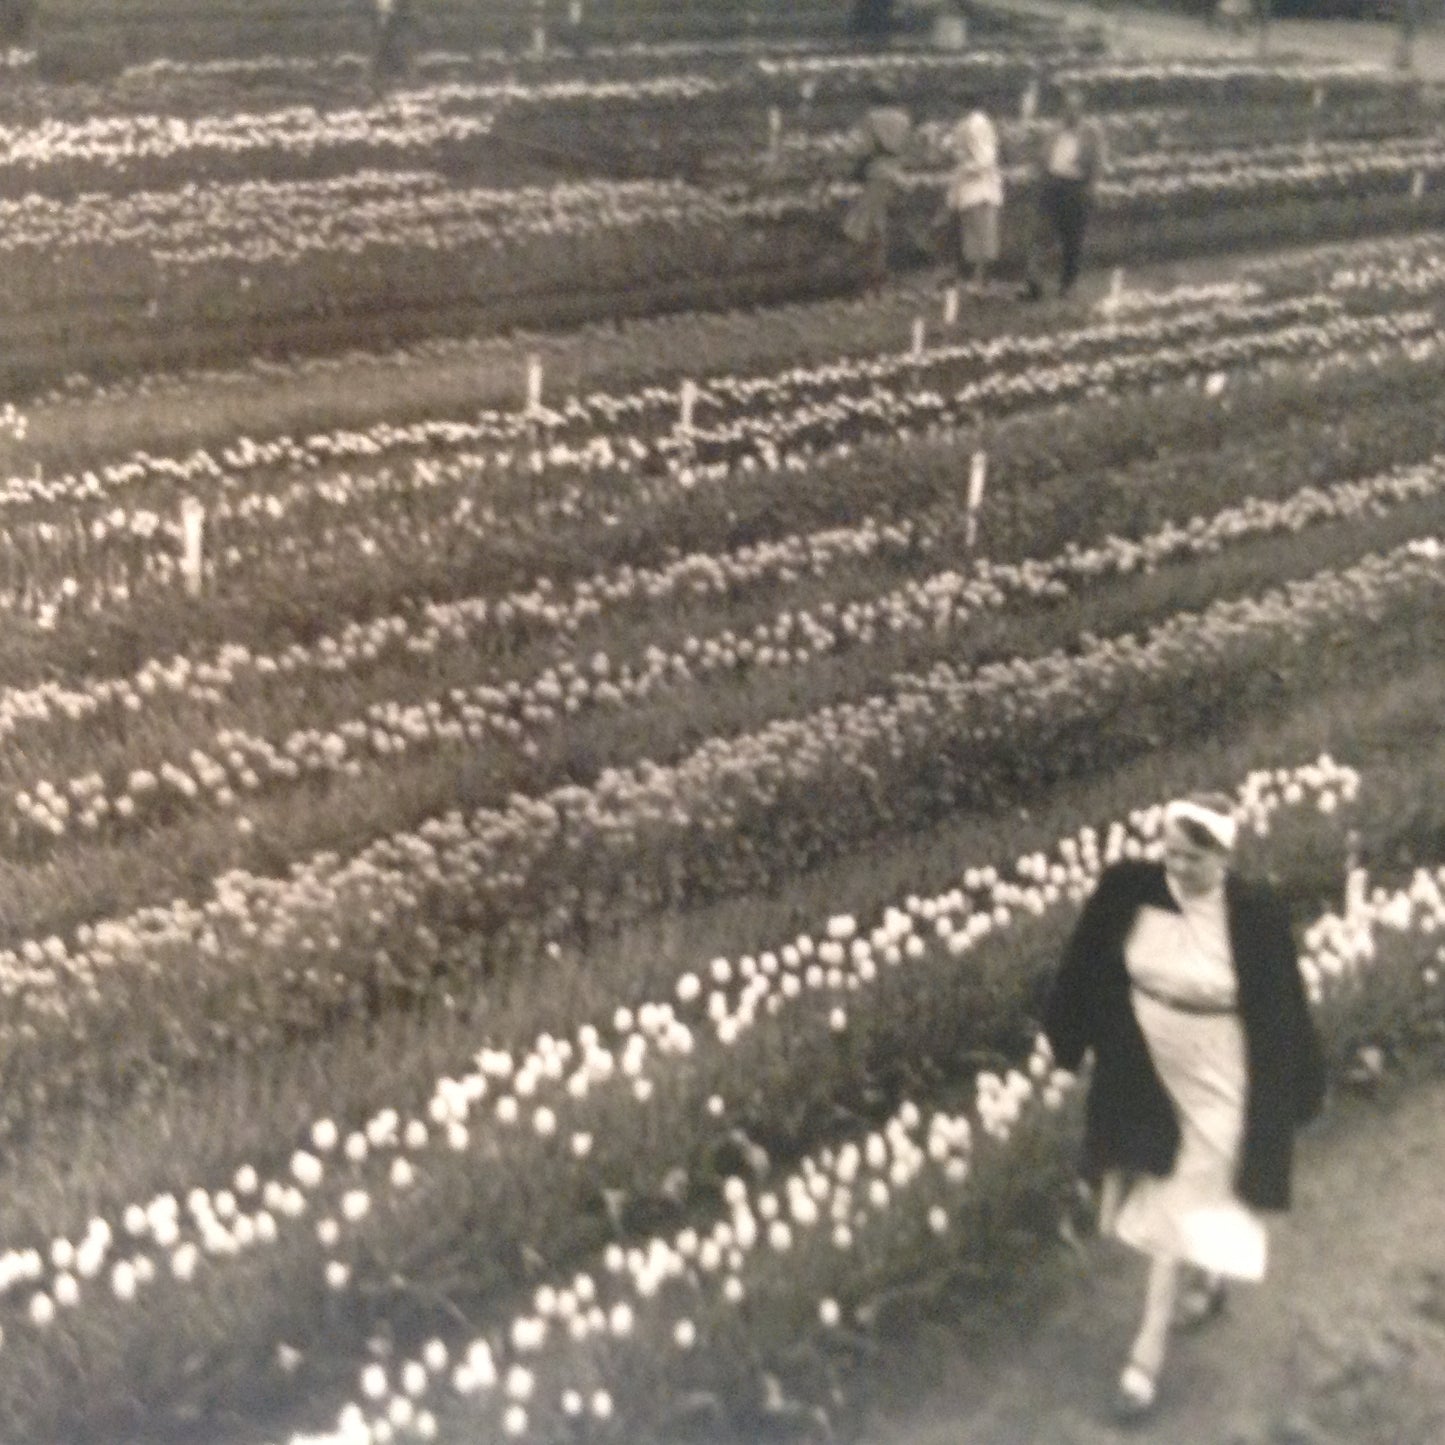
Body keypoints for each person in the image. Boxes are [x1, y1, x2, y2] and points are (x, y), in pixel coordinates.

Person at [1043, 792, 1326, 1424]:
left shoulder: (1252, 915)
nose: (1176, 867)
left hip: (1222, 1068)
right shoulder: (1130, 891)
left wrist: (1302, 1085)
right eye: (1169, 852)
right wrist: (1068, 1037)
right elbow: (1085, 961)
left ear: (1224, 855)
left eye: (1193, 858)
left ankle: (1146, 1352)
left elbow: (1284, 1005)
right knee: (1184, 1186)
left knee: (1183, 1191)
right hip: (1145, 1066)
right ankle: (1212, 1278)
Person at [1021, 83, 1107, 301]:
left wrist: (1091, 189)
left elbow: (1098, 164)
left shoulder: (1091, 133)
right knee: (1040, 236)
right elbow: (1043, 157)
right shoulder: (1055, 131)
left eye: (1074, 107)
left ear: (1081, 110)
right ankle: (1033, 285)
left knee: (1072, 240)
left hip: (1076, 189)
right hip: (1052, 186)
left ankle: (1067, 285)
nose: (1070, 112)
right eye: (1067, 107)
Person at [842, 78, 913, 294]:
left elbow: (862, 149)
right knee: (878, 228)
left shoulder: (872, 118)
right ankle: (877, 279)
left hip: (876, 173)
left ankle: (871, 280)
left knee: (863, 229)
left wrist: (853, 169)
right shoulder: (903, 119)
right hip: (896, 174)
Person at [944, 95, 1003, 294]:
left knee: (981, 236)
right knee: (972, 236)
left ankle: (980, 280)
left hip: (980, 188)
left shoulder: (977, 124)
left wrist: (966, 168)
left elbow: (986, 158)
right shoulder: (966, 124)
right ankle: (973, 279)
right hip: (969, 189)